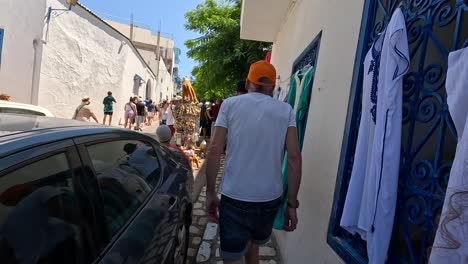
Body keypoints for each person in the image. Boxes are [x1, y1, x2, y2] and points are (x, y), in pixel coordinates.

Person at [206, 60, 302, 264]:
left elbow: (214, 150)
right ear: (273, 87)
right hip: (269, 198)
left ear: (249, 82)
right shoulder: (286, 110)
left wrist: (210, 193)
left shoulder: (230, 105)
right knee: (253, 246)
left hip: (235, 195)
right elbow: (294, 157)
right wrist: (292, 204)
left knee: (232, 258)